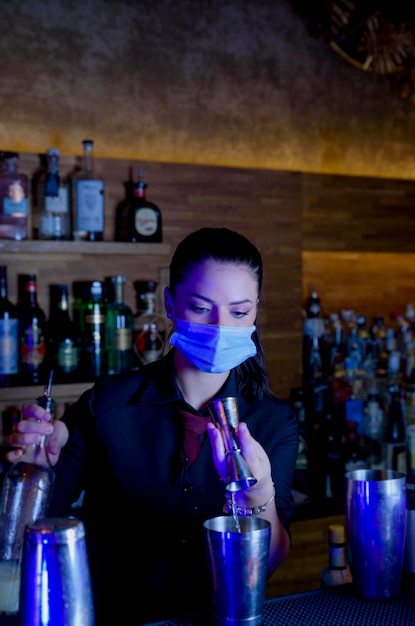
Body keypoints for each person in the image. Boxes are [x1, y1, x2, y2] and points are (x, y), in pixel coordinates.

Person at [7, 227, 299, 625]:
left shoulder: (274, 422)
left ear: (255, 313)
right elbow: (31, 537)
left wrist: (259, 492)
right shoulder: (107, 405)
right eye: (200, 307)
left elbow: (267, 565)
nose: (219, 327)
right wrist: (32, 470)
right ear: (170, 304)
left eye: (239, 311)